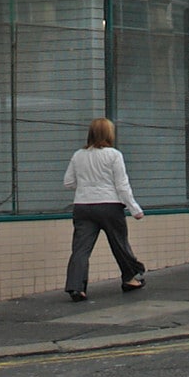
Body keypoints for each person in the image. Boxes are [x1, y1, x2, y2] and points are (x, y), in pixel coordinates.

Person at [62, 117, 145, 300]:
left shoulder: (78, 155)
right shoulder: (114, 155)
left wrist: (87, 185)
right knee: (119, 243)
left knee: (81, 249)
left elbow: (68, 182)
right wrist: (134, 208)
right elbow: (122, 185)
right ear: (109, 134)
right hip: (109, 205)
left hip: (83, 206)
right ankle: (130, 277)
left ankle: (76, 287)